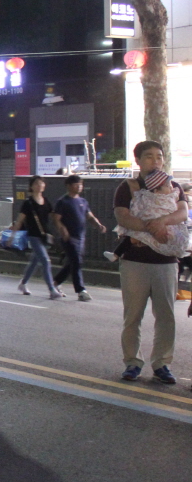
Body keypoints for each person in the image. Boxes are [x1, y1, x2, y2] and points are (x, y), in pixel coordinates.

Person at [114, 141, 188, 384]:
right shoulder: (127, 187)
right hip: (135, 262)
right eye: (149, 157)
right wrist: (151, 228)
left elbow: (182, 213)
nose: (155, 161)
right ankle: (132, 362)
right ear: (138, 160)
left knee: (166, 315)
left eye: (159, 156)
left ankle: (162, 363)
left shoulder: (174, 185)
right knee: (133, 315)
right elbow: (122, 216)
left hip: (167, 262)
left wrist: (162, 222)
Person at [51, 175, 106, 302]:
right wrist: (62, 229)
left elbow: (90, 216)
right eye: (76, 184)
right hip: (69, 238)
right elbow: (56, 219)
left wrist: (98, 225)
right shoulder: (63, 201)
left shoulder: (83, 202)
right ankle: (81, 290)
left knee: (73, 263)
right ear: (69, 186)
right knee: (76, 262)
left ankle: (56, 283)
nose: (79, 186)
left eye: (80, 184)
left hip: (80, 237)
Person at [10, 175, 64, 299]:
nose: (39, 185)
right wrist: (12, 237)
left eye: (41, 183)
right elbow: (19, 221)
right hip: (33, 236)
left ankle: (23, 283)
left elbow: (53, 217)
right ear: (31, 186)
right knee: (45, 261)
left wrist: (61, 228)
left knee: (34, 262)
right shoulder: (28, 203)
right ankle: (51, 290)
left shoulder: (46, 201)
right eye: (36, 183)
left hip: (44, 236)